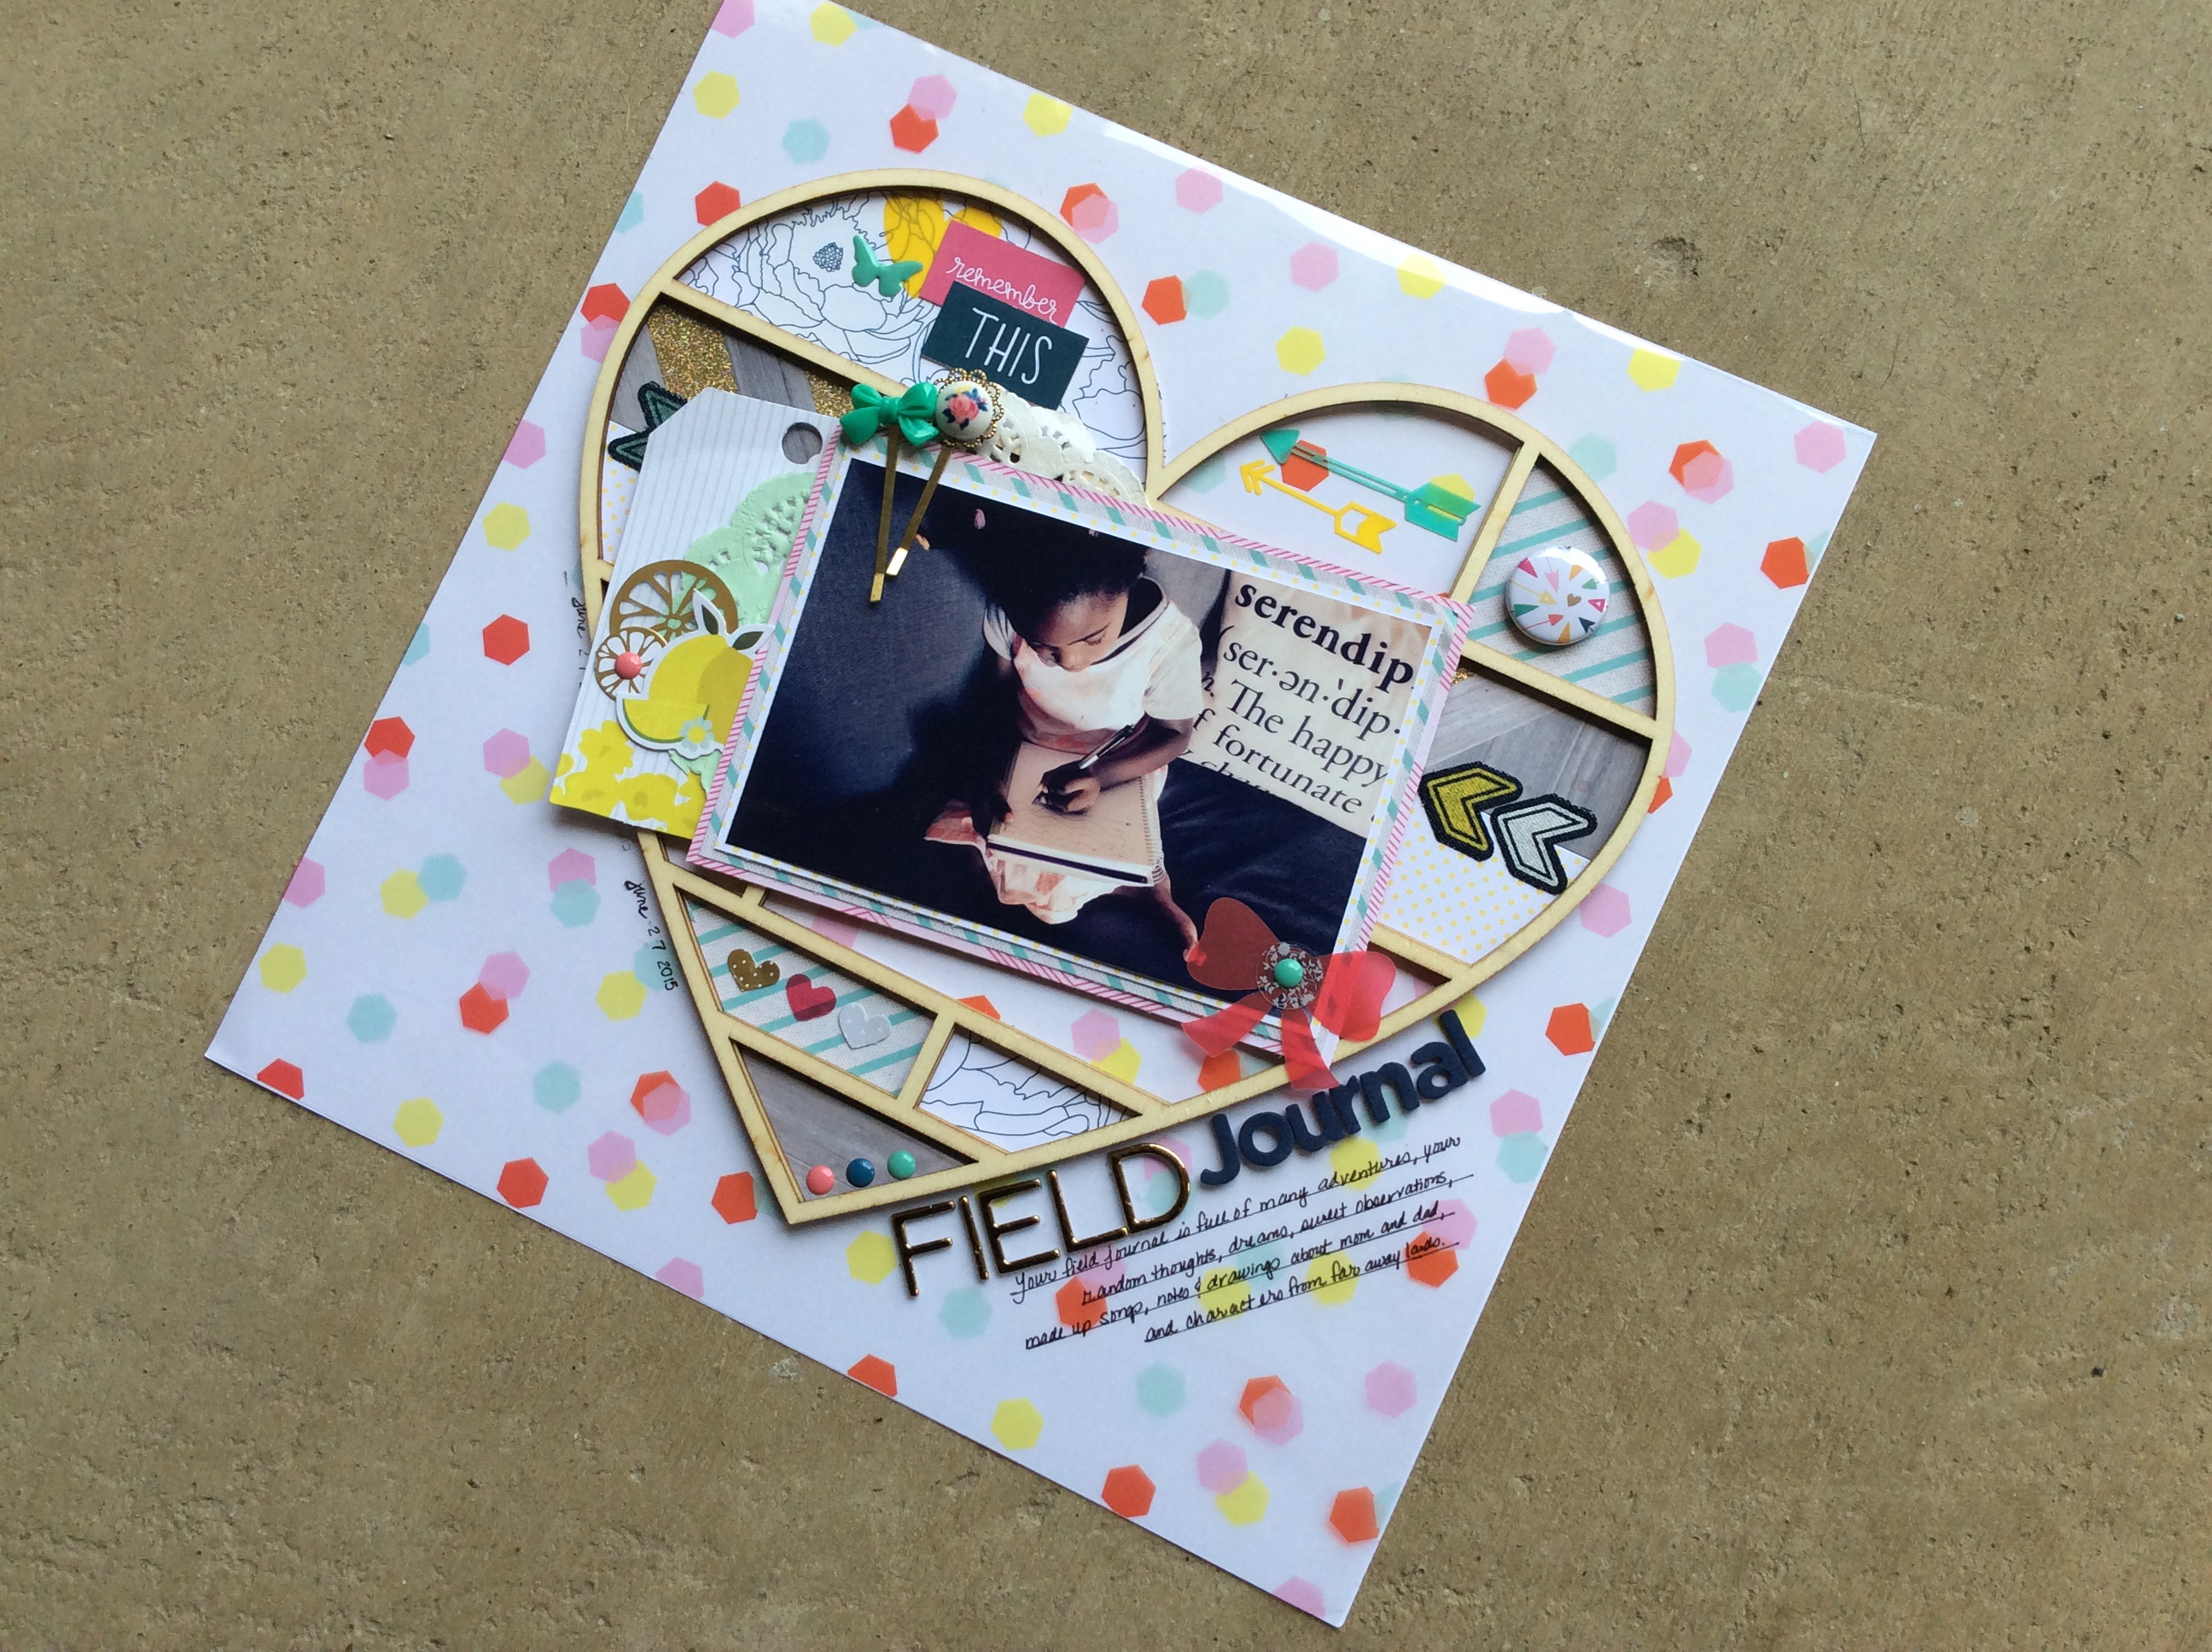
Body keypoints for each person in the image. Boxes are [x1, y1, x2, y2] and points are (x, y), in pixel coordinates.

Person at [924, 531, 1204, 949]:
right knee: (965, 847)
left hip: (1114, 764)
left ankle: (1144, 886)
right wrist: (989, 769)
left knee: (1104, 860)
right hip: (1022, 755)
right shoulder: (1009, 612)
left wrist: (1102, 776)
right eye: (1042, 647)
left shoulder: (1168, 643)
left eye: (1093, 638)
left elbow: (1175, 735)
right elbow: (995, 699)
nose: (1071, 662)